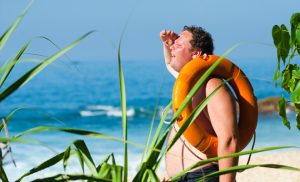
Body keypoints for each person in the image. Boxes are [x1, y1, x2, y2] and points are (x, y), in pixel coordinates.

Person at [160, 26, 239, 182]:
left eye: (179, 44)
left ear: (196, 54)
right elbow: (170, 63)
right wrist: (168, 43)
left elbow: (229, 139)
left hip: (202, 175)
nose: (172, 47)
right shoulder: (187, 85)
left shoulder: (212, 86)